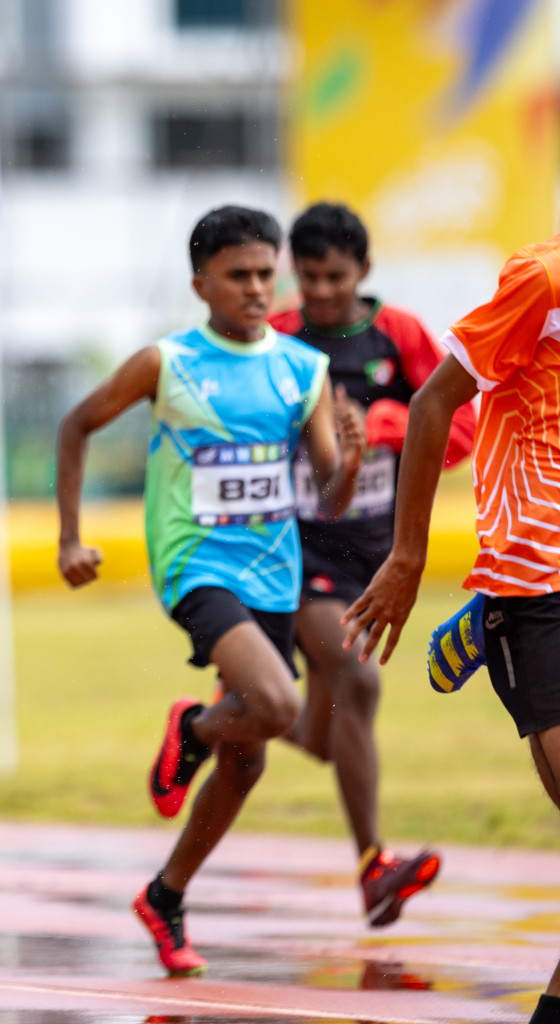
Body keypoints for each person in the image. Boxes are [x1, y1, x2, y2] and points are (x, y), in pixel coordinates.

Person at [56, 205, 365, 976]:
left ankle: (165, 894)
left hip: (274, 571)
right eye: (239, 275)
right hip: (195, 565)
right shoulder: (168, 363)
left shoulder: (303, 369)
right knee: (281, 706)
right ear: (202, 284)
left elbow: (327, 497)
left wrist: (350, 464)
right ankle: (192, 727)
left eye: (267, 273)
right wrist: (69, 536)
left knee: (249, 762)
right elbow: (76, 424)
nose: (258, 288)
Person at [344, 231, 560, 1024]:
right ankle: (490, 609)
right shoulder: (543, 280)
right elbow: (437, 401)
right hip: (539, 578)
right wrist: (406, 558)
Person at [268, 202, 474, 926]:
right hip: (296, 555)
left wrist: (383, 429)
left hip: (375, 557)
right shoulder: (280, 337)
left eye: (335, 276)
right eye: (309, 277)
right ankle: (373, 868)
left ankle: (217, 721)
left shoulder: (402, 336)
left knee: (321, 727)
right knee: (357, 679)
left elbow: (459, 435)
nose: (321, 292)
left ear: (365, 271)